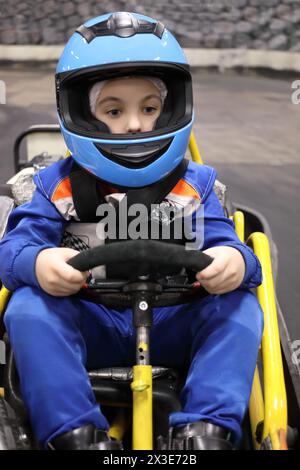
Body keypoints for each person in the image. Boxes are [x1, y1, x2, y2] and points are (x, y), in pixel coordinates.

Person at [0, 12, 263, 450]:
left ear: (171, 108)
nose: (136, 125)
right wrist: (39, 261)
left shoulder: (195, 185)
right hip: (88, 323)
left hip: (175, 323)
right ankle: (73, 432)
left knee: (238, 306)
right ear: (81, 113)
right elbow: (12, 251)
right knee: (28, 307)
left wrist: (234, 262)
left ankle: (204, 430)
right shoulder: (55, 186)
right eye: (114, 110)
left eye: (149, 108)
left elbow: (233, 249)